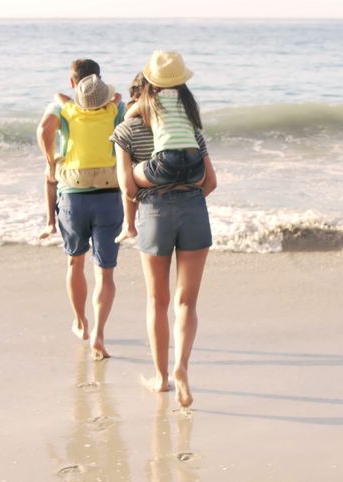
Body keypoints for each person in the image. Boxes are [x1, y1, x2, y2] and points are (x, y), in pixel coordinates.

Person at [111, 69, 217, 409]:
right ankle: (182, 368)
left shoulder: (126, 130)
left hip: (155, 215)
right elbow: (210, 182)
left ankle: (161, 378)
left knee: (158, 301)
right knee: (186, 302)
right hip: (194, 211)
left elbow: (127, 187)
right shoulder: (190, 131)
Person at [36, 59, 125, 360]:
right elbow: (121, 109)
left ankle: (80, 322)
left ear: (74, 85)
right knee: (106, 271)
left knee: (75, 263)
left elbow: (44, 128)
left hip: (73, 197)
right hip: (109, 195)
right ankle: (99, 334)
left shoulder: (66, 109)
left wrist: (51, 159)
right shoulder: (114, 109)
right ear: (100, 82)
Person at [115, 50, 204, 245]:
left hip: (165, 164)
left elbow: (127, 117)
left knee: (132, 172)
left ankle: (129, 226)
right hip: (195, 167)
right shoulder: (188, 103)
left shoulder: (151, 100)